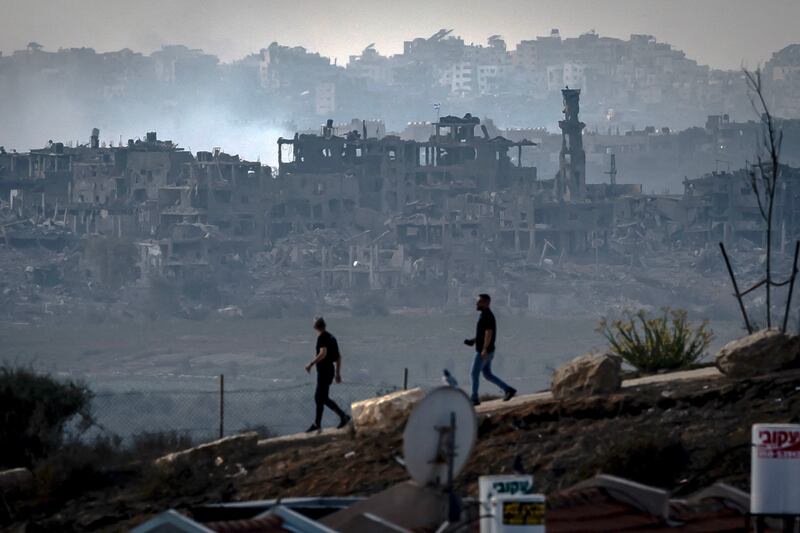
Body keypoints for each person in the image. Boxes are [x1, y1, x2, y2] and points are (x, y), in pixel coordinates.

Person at [464, 294, 516, 406]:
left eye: (479, 302)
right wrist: (474, 340)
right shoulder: (484, 314)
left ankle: (474, 398)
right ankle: (508, 389)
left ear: (486, 303)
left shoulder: (486, 315)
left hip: (484, 351)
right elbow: (483, 333)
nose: (476, 304)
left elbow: (489, 333)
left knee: (474, 373)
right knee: (487, 374)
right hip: (488, 350)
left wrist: (484, 349)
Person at [305, 317, 351, 432]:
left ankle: (342, 417)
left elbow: (323, 353)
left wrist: (311, 364)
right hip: (330, 370)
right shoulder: (332, 338)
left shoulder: (322, 338)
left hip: (324, 371)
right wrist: (337, 373)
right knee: (321, 398)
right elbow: (338, 357)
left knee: (321, 398)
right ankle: (318, 423)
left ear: (315, 327)